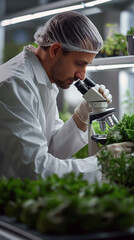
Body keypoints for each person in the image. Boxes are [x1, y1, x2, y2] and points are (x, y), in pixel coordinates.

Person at [0, 11, 133, 182]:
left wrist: (81, 115)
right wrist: (102, 163)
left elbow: (52, 148)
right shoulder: (14, 85)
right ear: (55, 50)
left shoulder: (43, 80)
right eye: (80, 63)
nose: (82, 76)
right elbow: (37, 169)